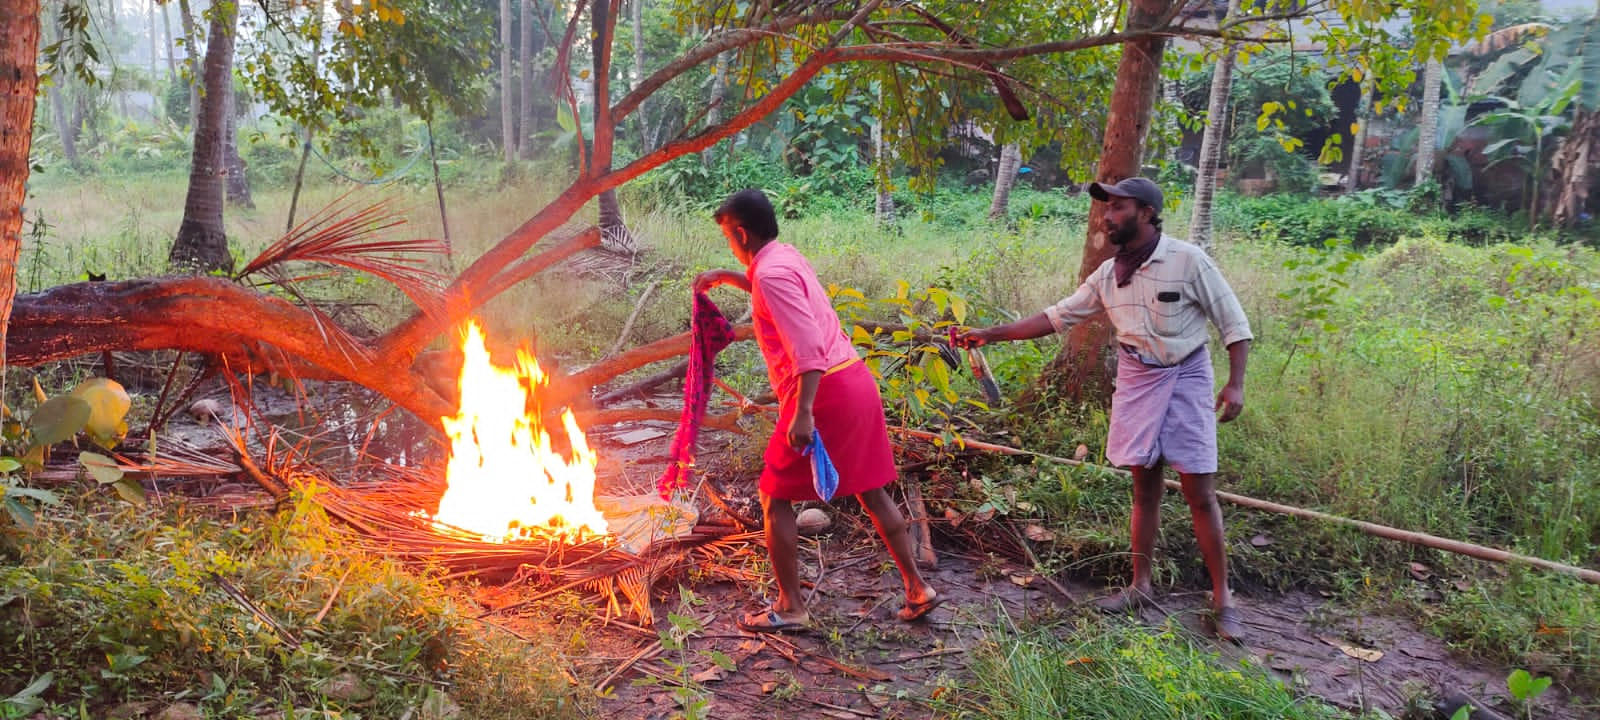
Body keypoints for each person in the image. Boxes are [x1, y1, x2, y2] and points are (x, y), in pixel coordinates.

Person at [955, 177, 1253, 642]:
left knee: (1200, 491)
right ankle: (1140, 586)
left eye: (1117, 207)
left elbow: (1234, 324)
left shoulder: (1187, 260)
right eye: (1106, 208)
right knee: (1144, 486)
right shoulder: (1110, 273)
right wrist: (991, 333)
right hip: (1136, 378)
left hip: (1187, 376)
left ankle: (1222, 598)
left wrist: (1235, 385)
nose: (1106, 216)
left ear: (1147, 213)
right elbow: (1056, 317)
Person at [693, 189, 941, 633]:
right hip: (854, 379)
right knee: (871, 491)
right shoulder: (783, 257)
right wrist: (730, 276)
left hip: (823, 390)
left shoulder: (769, 275)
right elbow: (777, 292)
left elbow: (807, 349)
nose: (730, 245)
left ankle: (791, 607)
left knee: (774, 494)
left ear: (742, 233)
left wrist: (803, 413)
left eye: (729, 238)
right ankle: (918, 588)